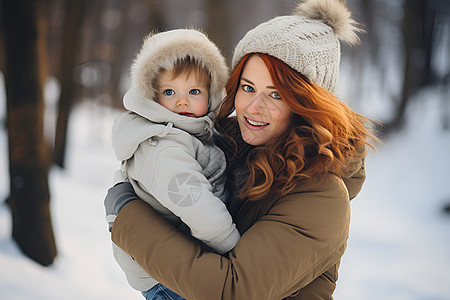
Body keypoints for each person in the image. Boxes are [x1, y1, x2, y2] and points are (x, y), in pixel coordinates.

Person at [105, 0, 376, 298]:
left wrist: (127, 217)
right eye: (248, 88)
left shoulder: (321, 196)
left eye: (276, 94)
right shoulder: (231, 142)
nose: (253, 108)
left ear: (308, 103)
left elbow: (232, 289)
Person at [106, 29, 240, 299]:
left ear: (211, 94)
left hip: (180, 261)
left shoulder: (193, 134)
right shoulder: (161, 145)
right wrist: (236, 252)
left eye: (194, 91)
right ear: (152, 96)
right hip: (167, 280)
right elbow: (197, 205)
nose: (182, 101)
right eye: (170, 91)